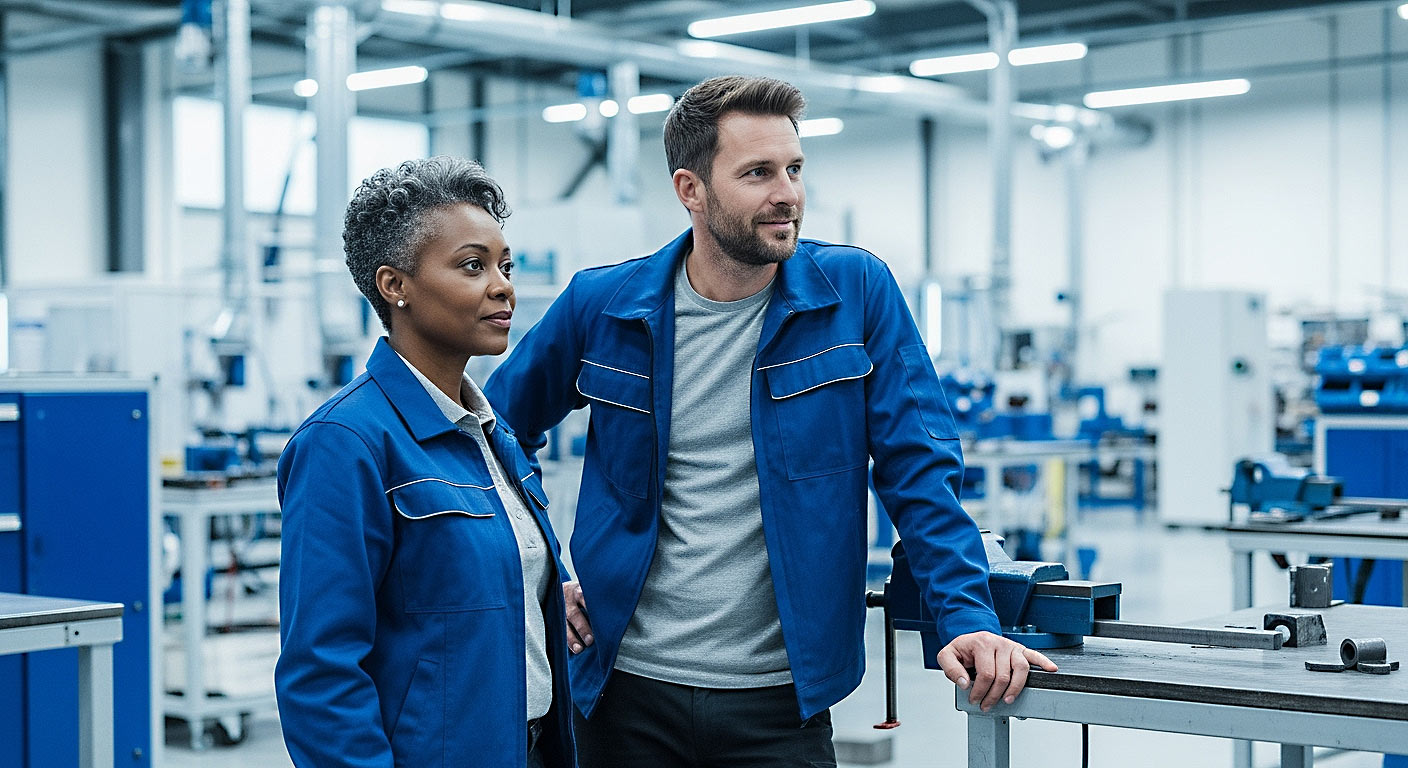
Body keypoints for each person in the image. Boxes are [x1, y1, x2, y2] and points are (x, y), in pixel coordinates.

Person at [484, 75, 1056, 767]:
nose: (787, 192)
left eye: (793, 169)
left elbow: (919, 473)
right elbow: (494, 434)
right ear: (690, 190)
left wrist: (966, 616)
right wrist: (543, 572)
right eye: (757, 173)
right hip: (621, 692)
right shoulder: (602, 305)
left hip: (783, 700)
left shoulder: (857, 294)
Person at [275, 156, 575, 768]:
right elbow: (320, 673)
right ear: (395, 285)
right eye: (473, 266)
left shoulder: (495, 438)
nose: (503, 286)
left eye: (505, 265)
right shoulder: (347, 443)